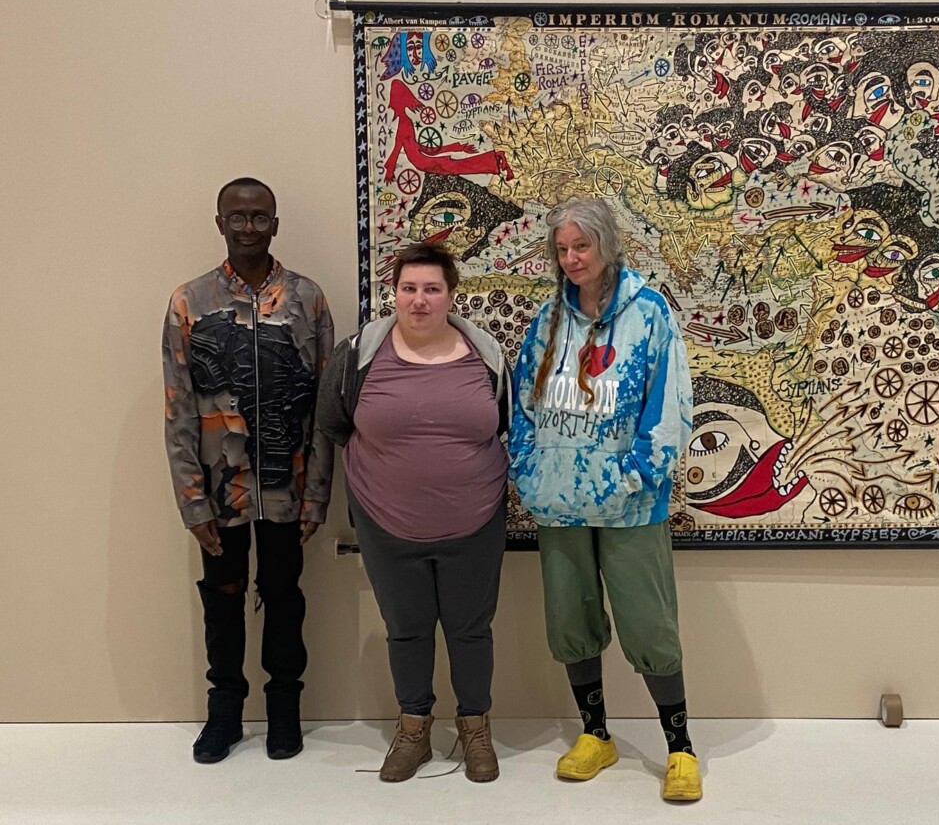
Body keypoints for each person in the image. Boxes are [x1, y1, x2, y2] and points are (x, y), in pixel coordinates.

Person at [509, 198, 702, 802]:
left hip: (629, 504)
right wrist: (529, 469)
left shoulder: (649, 314)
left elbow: (670, 401)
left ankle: (679, 747)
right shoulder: (547, 321)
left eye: (582, 247)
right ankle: (596, 734)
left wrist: (641, 473)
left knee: (649, 624)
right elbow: (520, 402)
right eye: (562, 250)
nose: (571, 259)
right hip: (559, 501)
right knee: (571, 621)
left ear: (606, 246)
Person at [316, 241, 510, 783]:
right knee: (406, 629)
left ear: (451, 295)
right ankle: (414, 730)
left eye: (431, 289)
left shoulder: (487, 354)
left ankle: (475, 731)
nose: (419, 300)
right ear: (393, 293)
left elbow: (505, 424)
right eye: (408, 288)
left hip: (476, 519)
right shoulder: (359, 354)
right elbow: (333, 424)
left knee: (471, 630)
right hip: (386, 522)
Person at [162, 177, 334, 764]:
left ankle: (285, 709)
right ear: (219, 223)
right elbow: (178, 407)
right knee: (222, 595)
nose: (248, 228)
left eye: (260, 217)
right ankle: (225, 712)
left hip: (287, 485)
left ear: (276, 224)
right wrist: (191, 501)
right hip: (219, 487)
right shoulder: (189, 301)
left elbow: (323, 408)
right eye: (237, 217)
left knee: (284, 594)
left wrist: (317, 495)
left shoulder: (308, 299)